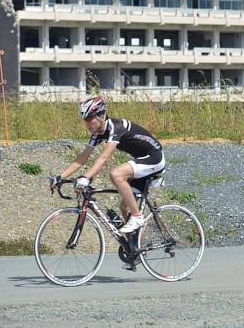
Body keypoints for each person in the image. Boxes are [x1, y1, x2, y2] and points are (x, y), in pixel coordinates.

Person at [51, 96, 166, 236]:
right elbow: (83, 158)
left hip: (154, 158)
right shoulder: (97, 134)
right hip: (141, 161)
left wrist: (86, 177)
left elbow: (104, 157)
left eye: (89, 119)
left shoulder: (115, 127)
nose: (86, 124)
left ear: (101, 115)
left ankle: (137, 217)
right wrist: (60, 177)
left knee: (116, 174)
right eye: (84, 120)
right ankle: (135, 248)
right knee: (125, 208)